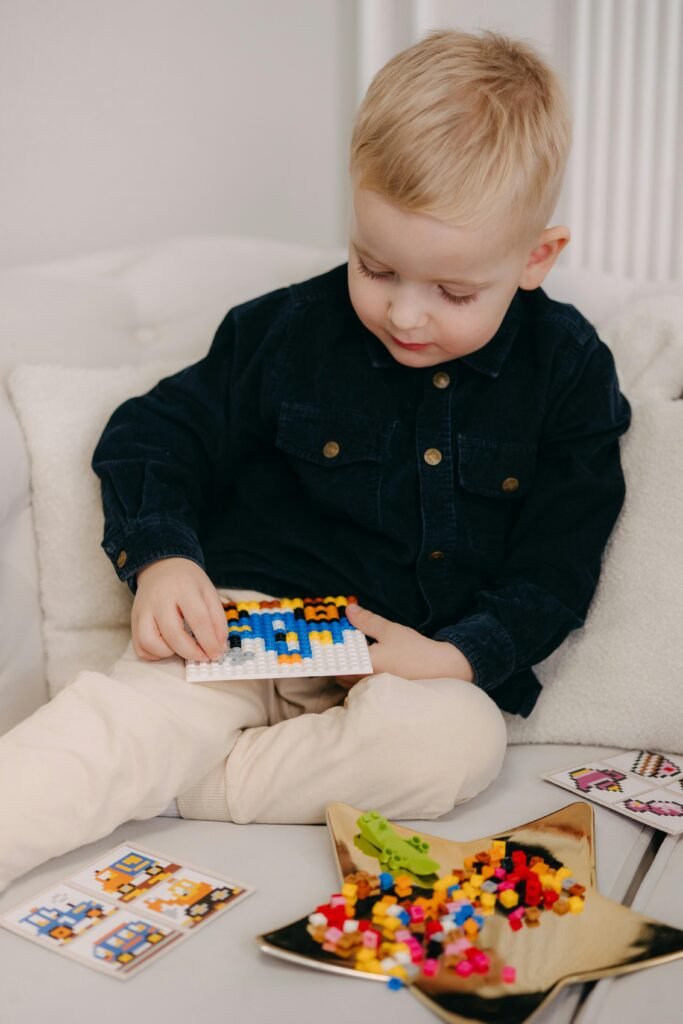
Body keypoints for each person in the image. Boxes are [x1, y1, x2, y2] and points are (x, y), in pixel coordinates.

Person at [0, 29, 630, 894]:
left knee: (457, 745)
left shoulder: (567, 369)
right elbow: (153, 432)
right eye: (375, 268)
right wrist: (161, 555)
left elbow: (558, 561)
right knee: (122, 727)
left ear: (535, 257)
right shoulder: (285, 330)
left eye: (451, 292)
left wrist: (455, 659)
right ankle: (130, 773)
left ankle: (183, 788)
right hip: (246, 625)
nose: (405, 314)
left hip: (405, 665)